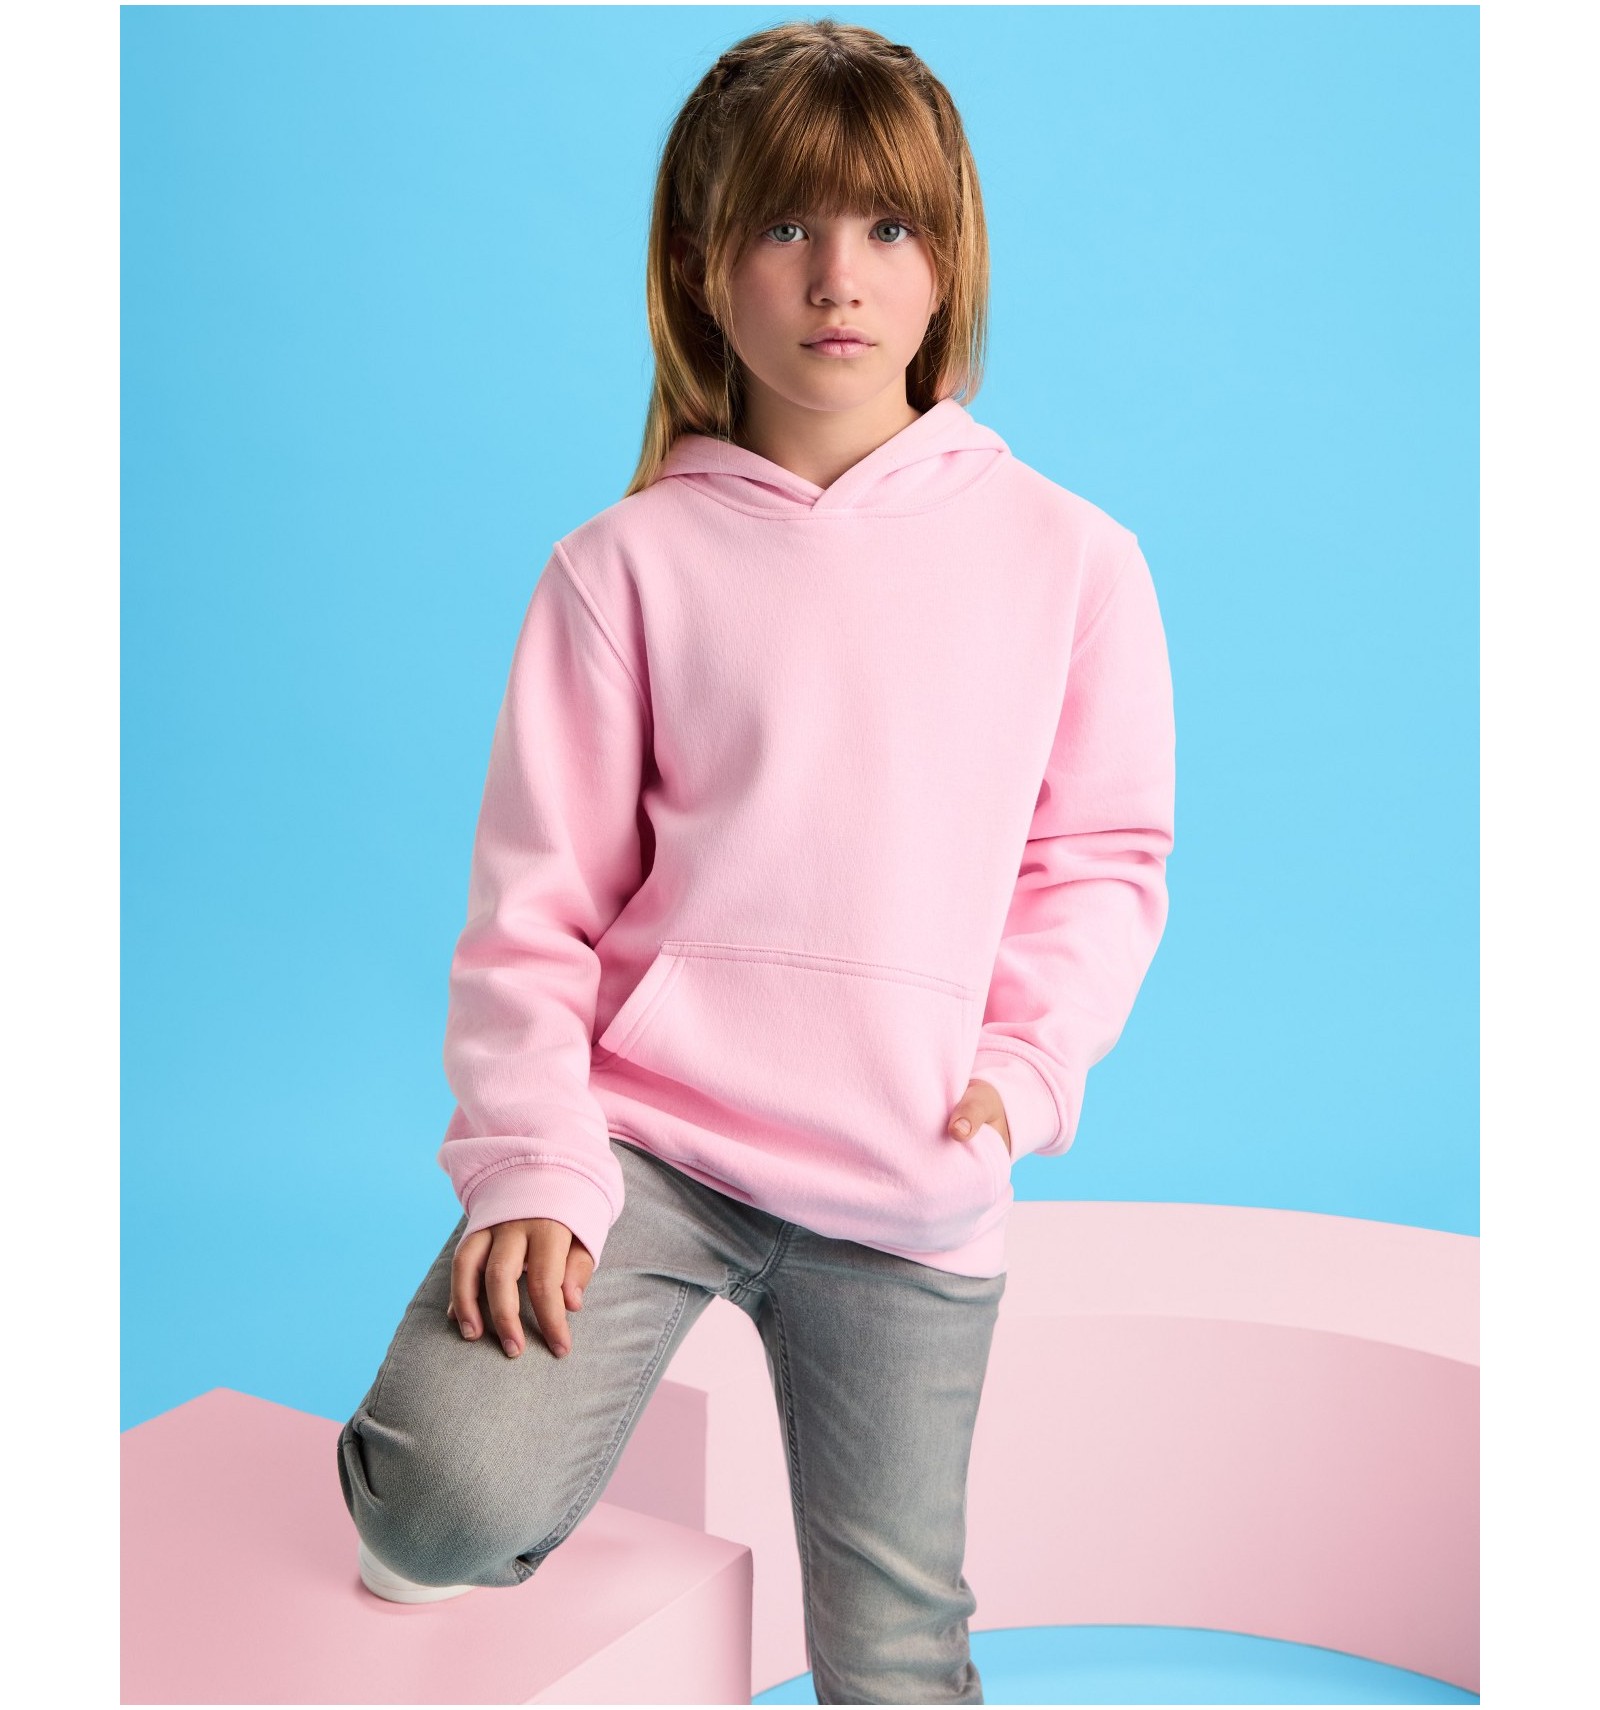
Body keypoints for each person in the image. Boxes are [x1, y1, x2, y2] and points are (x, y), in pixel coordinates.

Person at [336, 16, 1175, 1704]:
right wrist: (533, 1161)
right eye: (785, 226)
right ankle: (438, 1479)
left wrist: (1024, 1069)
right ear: (701, 267)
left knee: (893, 1655)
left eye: (888, 227)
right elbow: (533, 914)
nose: (838, 277)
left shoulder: (1074, 560)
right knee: (437, 1506)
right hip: (652, 1145)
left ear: (949, 266)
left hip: (907, 1179)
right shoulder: (621, 569)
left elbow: (1099, 858)